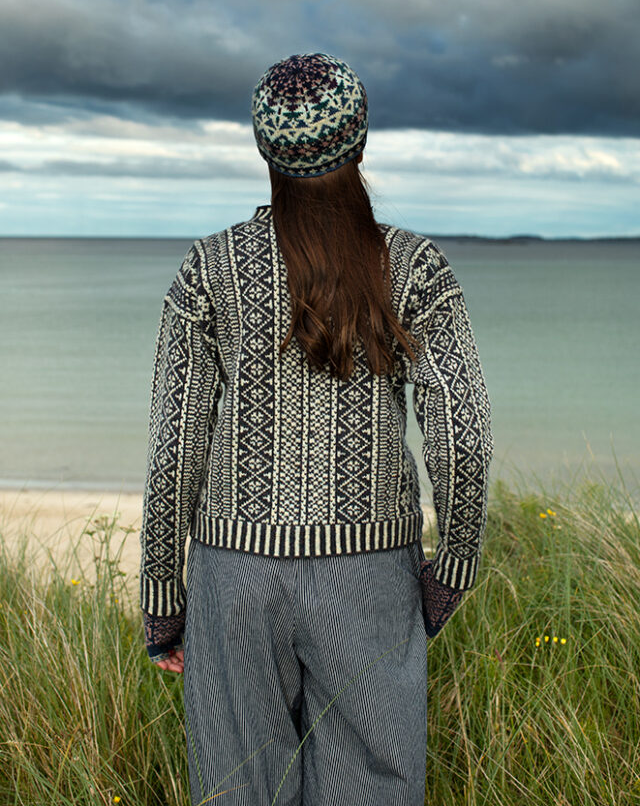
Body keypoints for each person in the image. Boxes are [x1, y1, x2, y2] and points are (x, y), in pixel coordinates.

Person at [139, 52, 493, 806]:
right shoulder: (414, 268)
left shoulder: (207, 270)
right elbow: (461, 433)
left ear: (265, 151)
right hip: (367, 577)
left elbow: (175, 448)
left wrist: (165, 597)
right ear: (360, 140)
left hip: (234, 574)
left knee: (240, 791)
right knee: (374, 790)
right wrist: (451, 571)